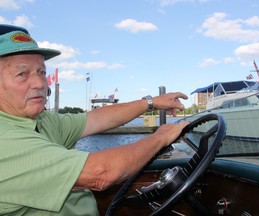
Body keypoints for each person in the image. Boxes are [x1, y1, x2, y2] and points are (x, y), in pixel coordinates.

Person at [0, 24, 189, 216]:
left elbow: (96, 119)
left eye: (41, 72)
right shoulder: (4, 138)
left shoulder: (41, 120)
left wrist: (152, 102)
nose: (40, 83)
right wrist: (161, 137)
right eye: (22, 74)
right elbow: (102, 173)